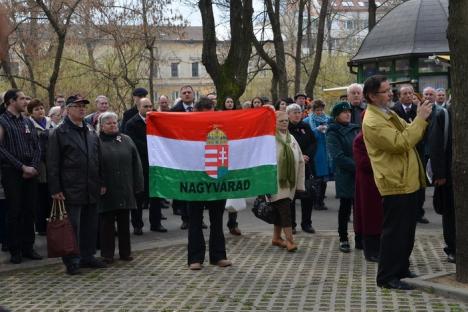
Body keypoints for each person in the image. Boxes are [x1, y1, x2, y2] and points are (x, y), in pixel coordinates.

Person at [362, 75, 432, 290]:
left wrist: (418, 120)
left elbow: (408, 131)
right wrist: (420, 119)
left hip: (406, 179)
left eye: (389, 89)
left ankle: (401, 268)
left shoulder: (387, 112)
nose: (390, 93)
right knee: (394, 232)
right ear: (372, 96)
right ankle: (387, 277)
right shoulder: (372, 121)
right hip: (395, 182)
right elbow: (402, 142)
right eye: (385, 91)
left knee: (406, 230)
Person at [47, 94, 107, 275]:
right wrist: (55, 188)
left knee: (90, 224)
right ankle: (72, 260)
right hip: (71, 187)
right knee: (73, 225)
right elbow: (52, 163)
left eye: (83, 106)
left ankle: (88, 256)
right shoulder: (59, 132)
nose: (82, 109)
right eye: (77, 106)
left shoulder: (89, 130)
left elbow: (98, 158)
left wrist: (102, 181)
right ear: (68, 109)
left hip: (91, 185)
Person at [188, 97, 231, 270]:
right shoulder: (188, 126)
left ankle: (218, 256)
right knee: (195, 221)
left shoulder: (221, 126)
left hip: (216, 179)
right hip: (195, 180)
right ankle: (195, 258)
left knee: (217, 219)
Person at [0, 89, 42, 264]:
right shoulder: (2, 121)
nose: (26, 102)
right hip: (12, 172)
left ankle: (28, 247)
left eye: (26, 98)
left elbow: (37, 146)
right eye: (22, 99)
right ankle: (15, 250)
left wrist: (33, 166)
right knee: (14, 211)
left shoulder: (28, 122)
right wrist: (21, 166)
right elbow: (0, 149)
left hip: (31, 172)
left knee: (30, 210)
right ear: (11, 101)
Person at [97, 112, 144, 263]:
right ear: (102, 126)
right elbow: (93, 165)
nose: (113, 125)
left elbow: (136, 163)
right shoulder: (96, 142)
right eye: (109, 123)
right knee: (107, 224)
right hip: (106, 189)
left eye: (115, 122)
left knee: (124, 222)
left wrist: (138, 184)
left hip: (125, 186)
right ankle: (107, 254)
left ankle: (125, 252)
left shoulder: (126, 140)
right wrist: (99, 184)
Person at [125, 98, 167, 235]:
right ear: (139, 107)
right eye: (145, 106)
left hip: (155, 165)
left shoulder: (157, 121)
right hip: (140, 165)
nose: (149, 109)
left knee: (155, 196)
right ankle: (137, 225)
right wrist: (153, 147)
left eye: (150, 106)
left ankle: (156, 223)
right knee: (139, 196)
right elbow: (133, 143)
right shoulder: (131, 123)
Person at [171, 85, 207, 230]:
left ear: (193, 94)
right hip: (183, 155)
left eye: (189, 92)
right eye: (184, 93)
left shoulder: (201, 109)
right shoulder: (173, 112)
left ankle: (200, 219)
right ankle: (185, 218)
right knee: (186, 188)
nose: (187, 95)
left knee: (200, 188)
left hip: (200, 154)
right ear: (180, 95)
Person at [392, 85, 429, 224]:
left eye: (410, 93)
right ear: (399, 96)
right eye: (405, 93)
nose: (408, 95)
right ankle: (405, 213)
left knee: (420, 182)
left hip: (419, 149)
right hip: (403, 151)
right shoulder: (394, 111)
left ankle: (419, 212)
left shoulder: (418, 109)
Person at [326, 102, 360, 253]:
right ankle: (343, 238)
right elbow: (338, 156)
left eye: (349, 112)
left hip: (360, 173)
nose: (347, 114)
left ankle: (361, 237)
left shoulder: (355, 128)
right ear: (336, 115)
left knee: (360, 208)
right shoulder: (332, 132)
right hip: (345, 174)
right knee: (345, 208)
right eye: (344, 112)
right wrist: (358, 167)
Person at [270, 111, 305, 252]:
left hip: (289, 182)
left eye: (286, 121)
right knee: (285, 211)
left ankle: (276, 237)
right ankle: (290, 241)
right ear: (274, 122)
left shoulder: (291, 138)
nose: (285, 123)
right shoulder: (270, 138)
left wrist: (300, 184)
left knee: (280, 211)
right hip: (276, 182)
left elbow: (301, 160)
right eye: (281, 121)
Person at [353, 121, 383, 263]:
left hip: (380, 182)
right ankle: (370, 250)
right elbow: (363, 162)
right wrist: (383, 161)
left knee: (378, 217)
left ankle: (379, 248)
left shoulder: (378, 137)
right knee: (369, 217)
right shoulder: (360, 139)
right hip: (367, 184)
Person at [428, 106, 455, 263]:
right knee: (450, 212)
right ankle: (452, 248)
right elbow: (435, 143)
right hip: (449, 174)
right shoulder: (443, 114)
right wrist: (439, 174)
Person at [286, 104, 316, 234]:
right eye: (294, 112)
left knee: (307, 195)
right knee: (291, 197)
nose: (297, 114)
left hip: (307, 165)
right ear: (288, 114)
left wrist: (307, 155)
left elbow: (313, 143)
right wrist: (298, 156)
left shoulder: (305, 126)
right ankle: (291, 224)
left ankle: (306, 223)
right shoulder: (285, 128)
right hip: (291, 166)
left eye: (299, 112)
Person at [27, 99, 53, 236]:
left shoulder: (51, 123)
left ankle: (52, 224)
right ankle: (41, 227)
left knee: (51, 195)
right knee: (40, 197)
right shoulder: (28, 124)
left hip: (52, 164)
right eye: (36, 109)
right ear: (31, 112)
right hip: (38, 166)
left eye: (41, 108)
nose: (40, 111)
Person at [303, 100, 332, 210]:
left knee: (324, 179)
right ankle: (315, 201)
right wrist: (316, 130)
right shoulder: (307, 121)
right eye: (317, 110)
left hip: (326, 151)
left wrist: (327, 129)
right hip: (315, 151)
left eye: (321, 109)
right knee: (316, 178)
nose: (319, 112)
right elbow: (307, 137)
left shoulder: (328, 119)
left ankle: (321, 201)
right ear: (313, 110)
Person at [221, 97, 241, 236]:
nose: (229, 103)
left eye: (231, 102)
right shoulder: (219, 116)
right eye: (227, 101)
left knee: (234, 194)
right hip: (221, 159)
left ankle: (233, 224)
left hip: (234, 160)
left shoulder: (238, 118)